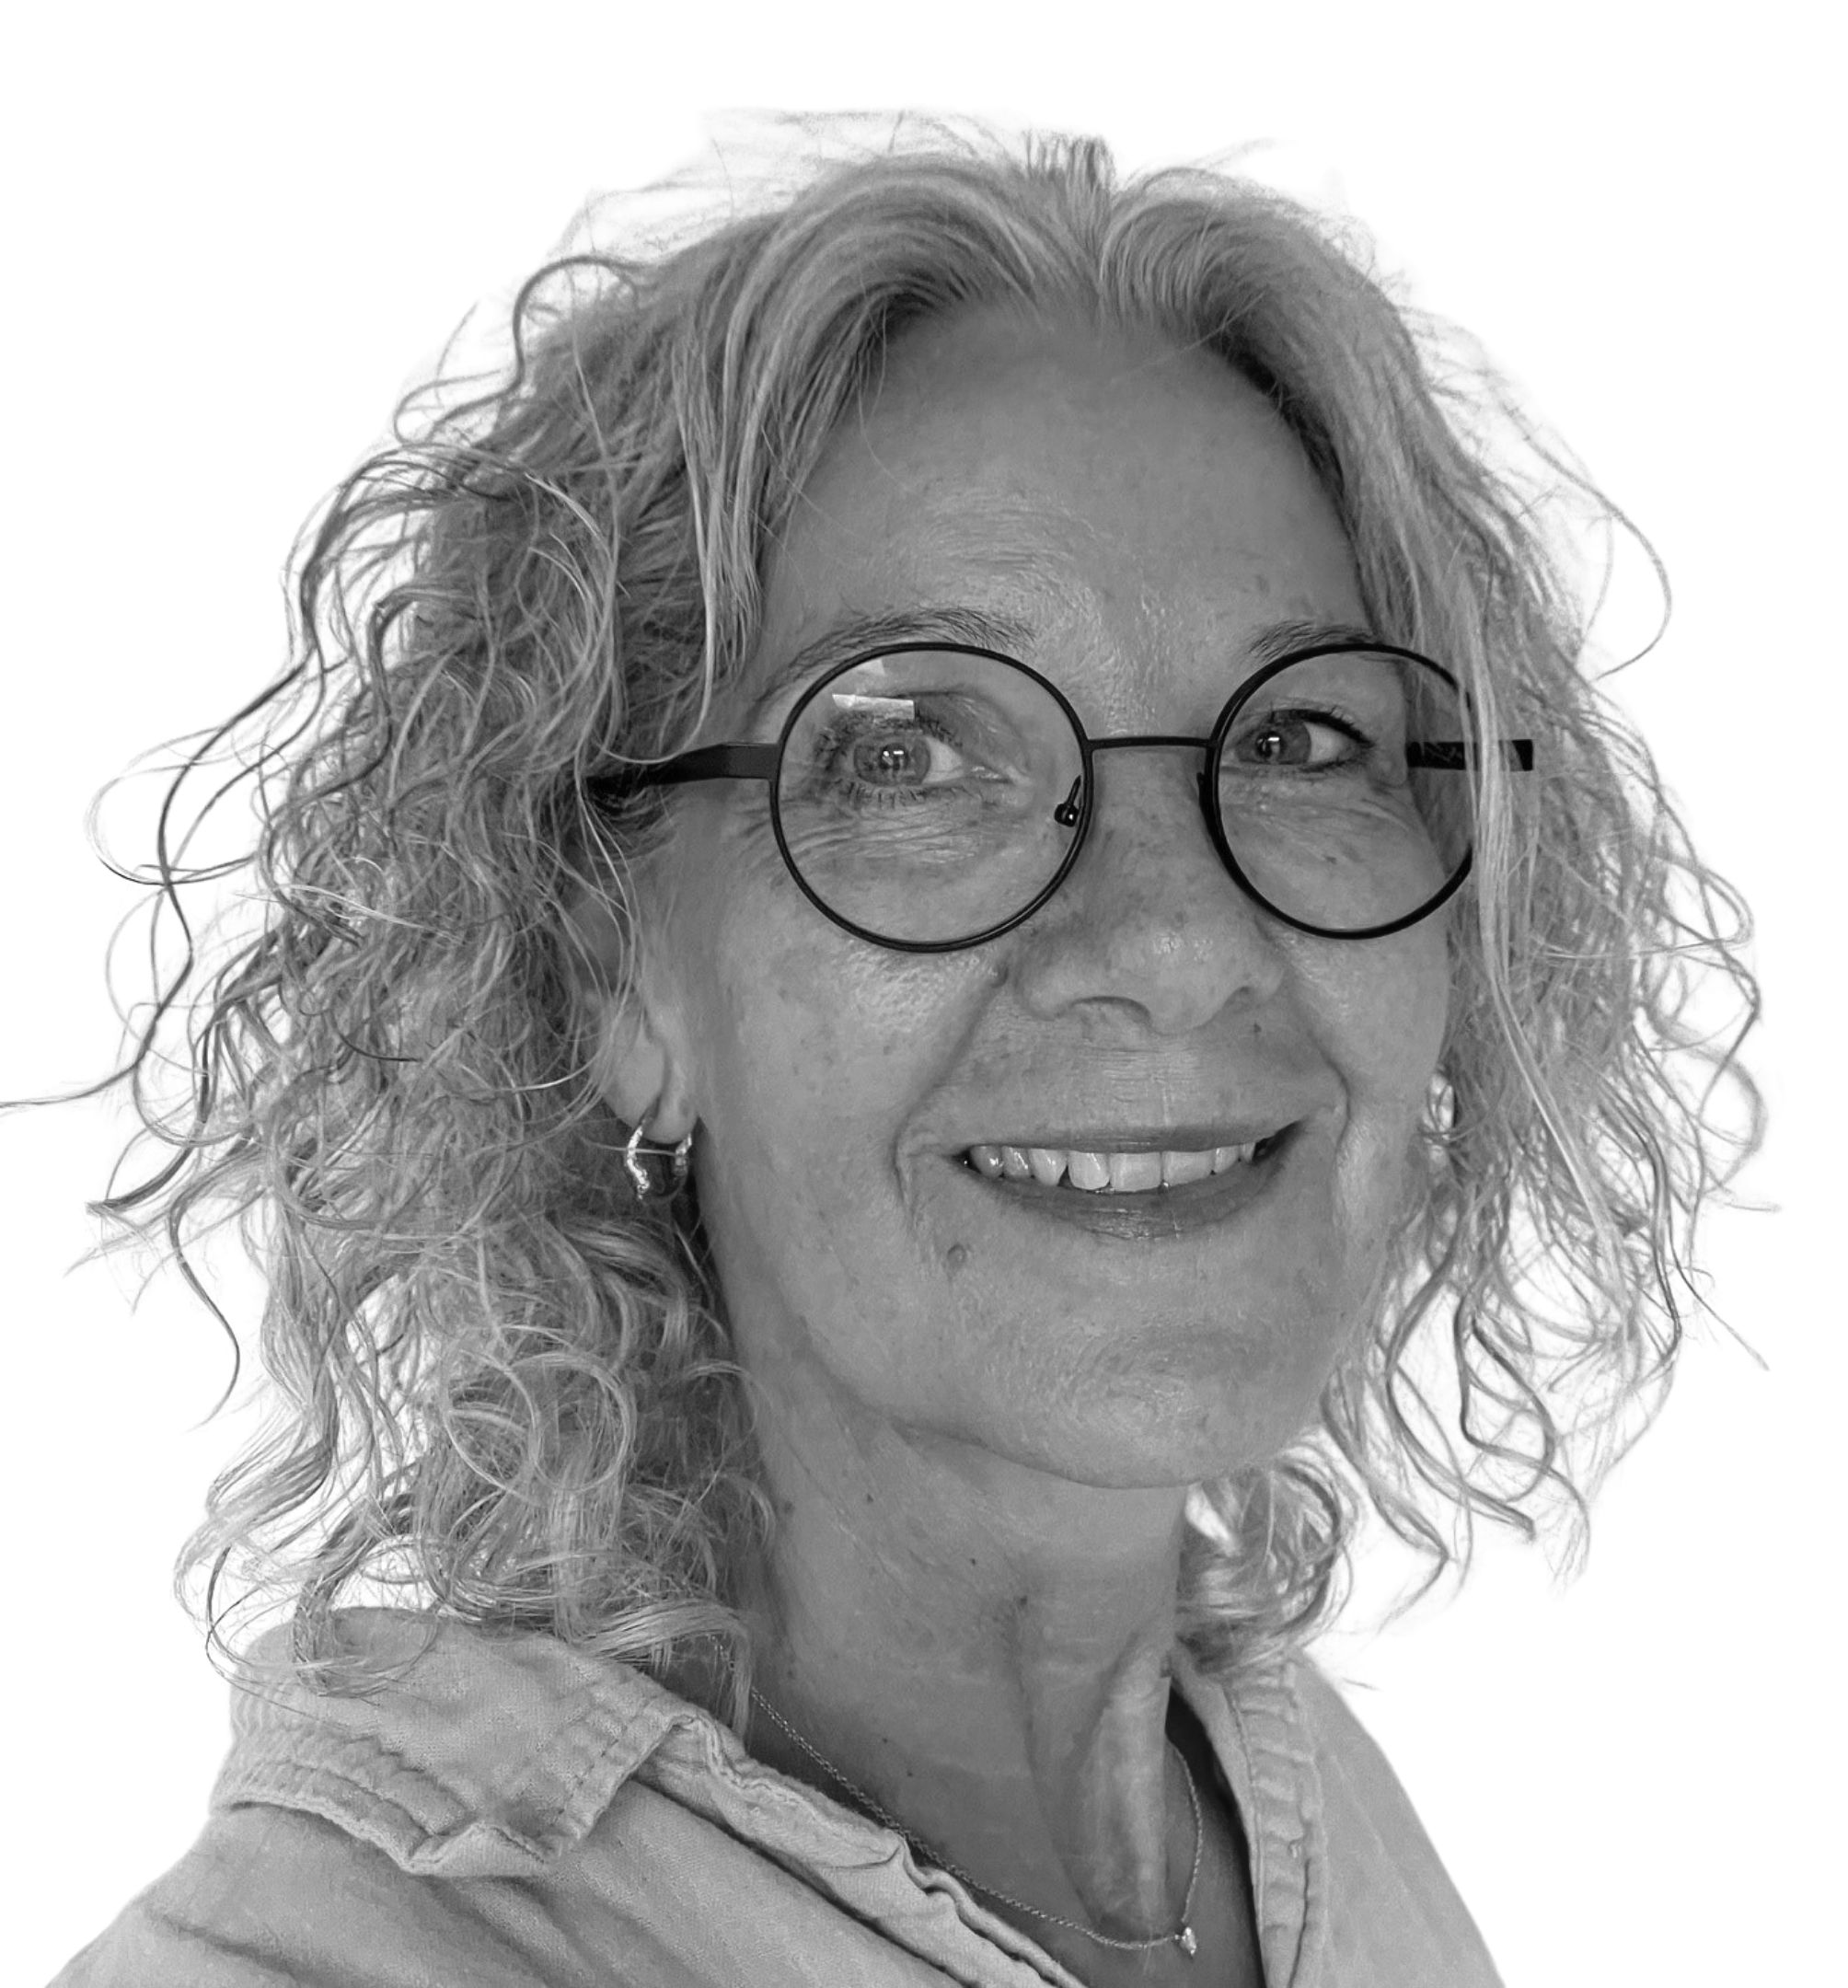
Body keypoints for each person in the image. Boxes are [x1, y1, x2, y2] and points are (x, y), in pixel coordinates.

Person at [52, 124, 1758, 1987]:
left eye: (1301, 745)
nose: (1180, 943)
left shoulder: (1299, 1805)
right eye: (906, 756)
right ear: (616, 968)